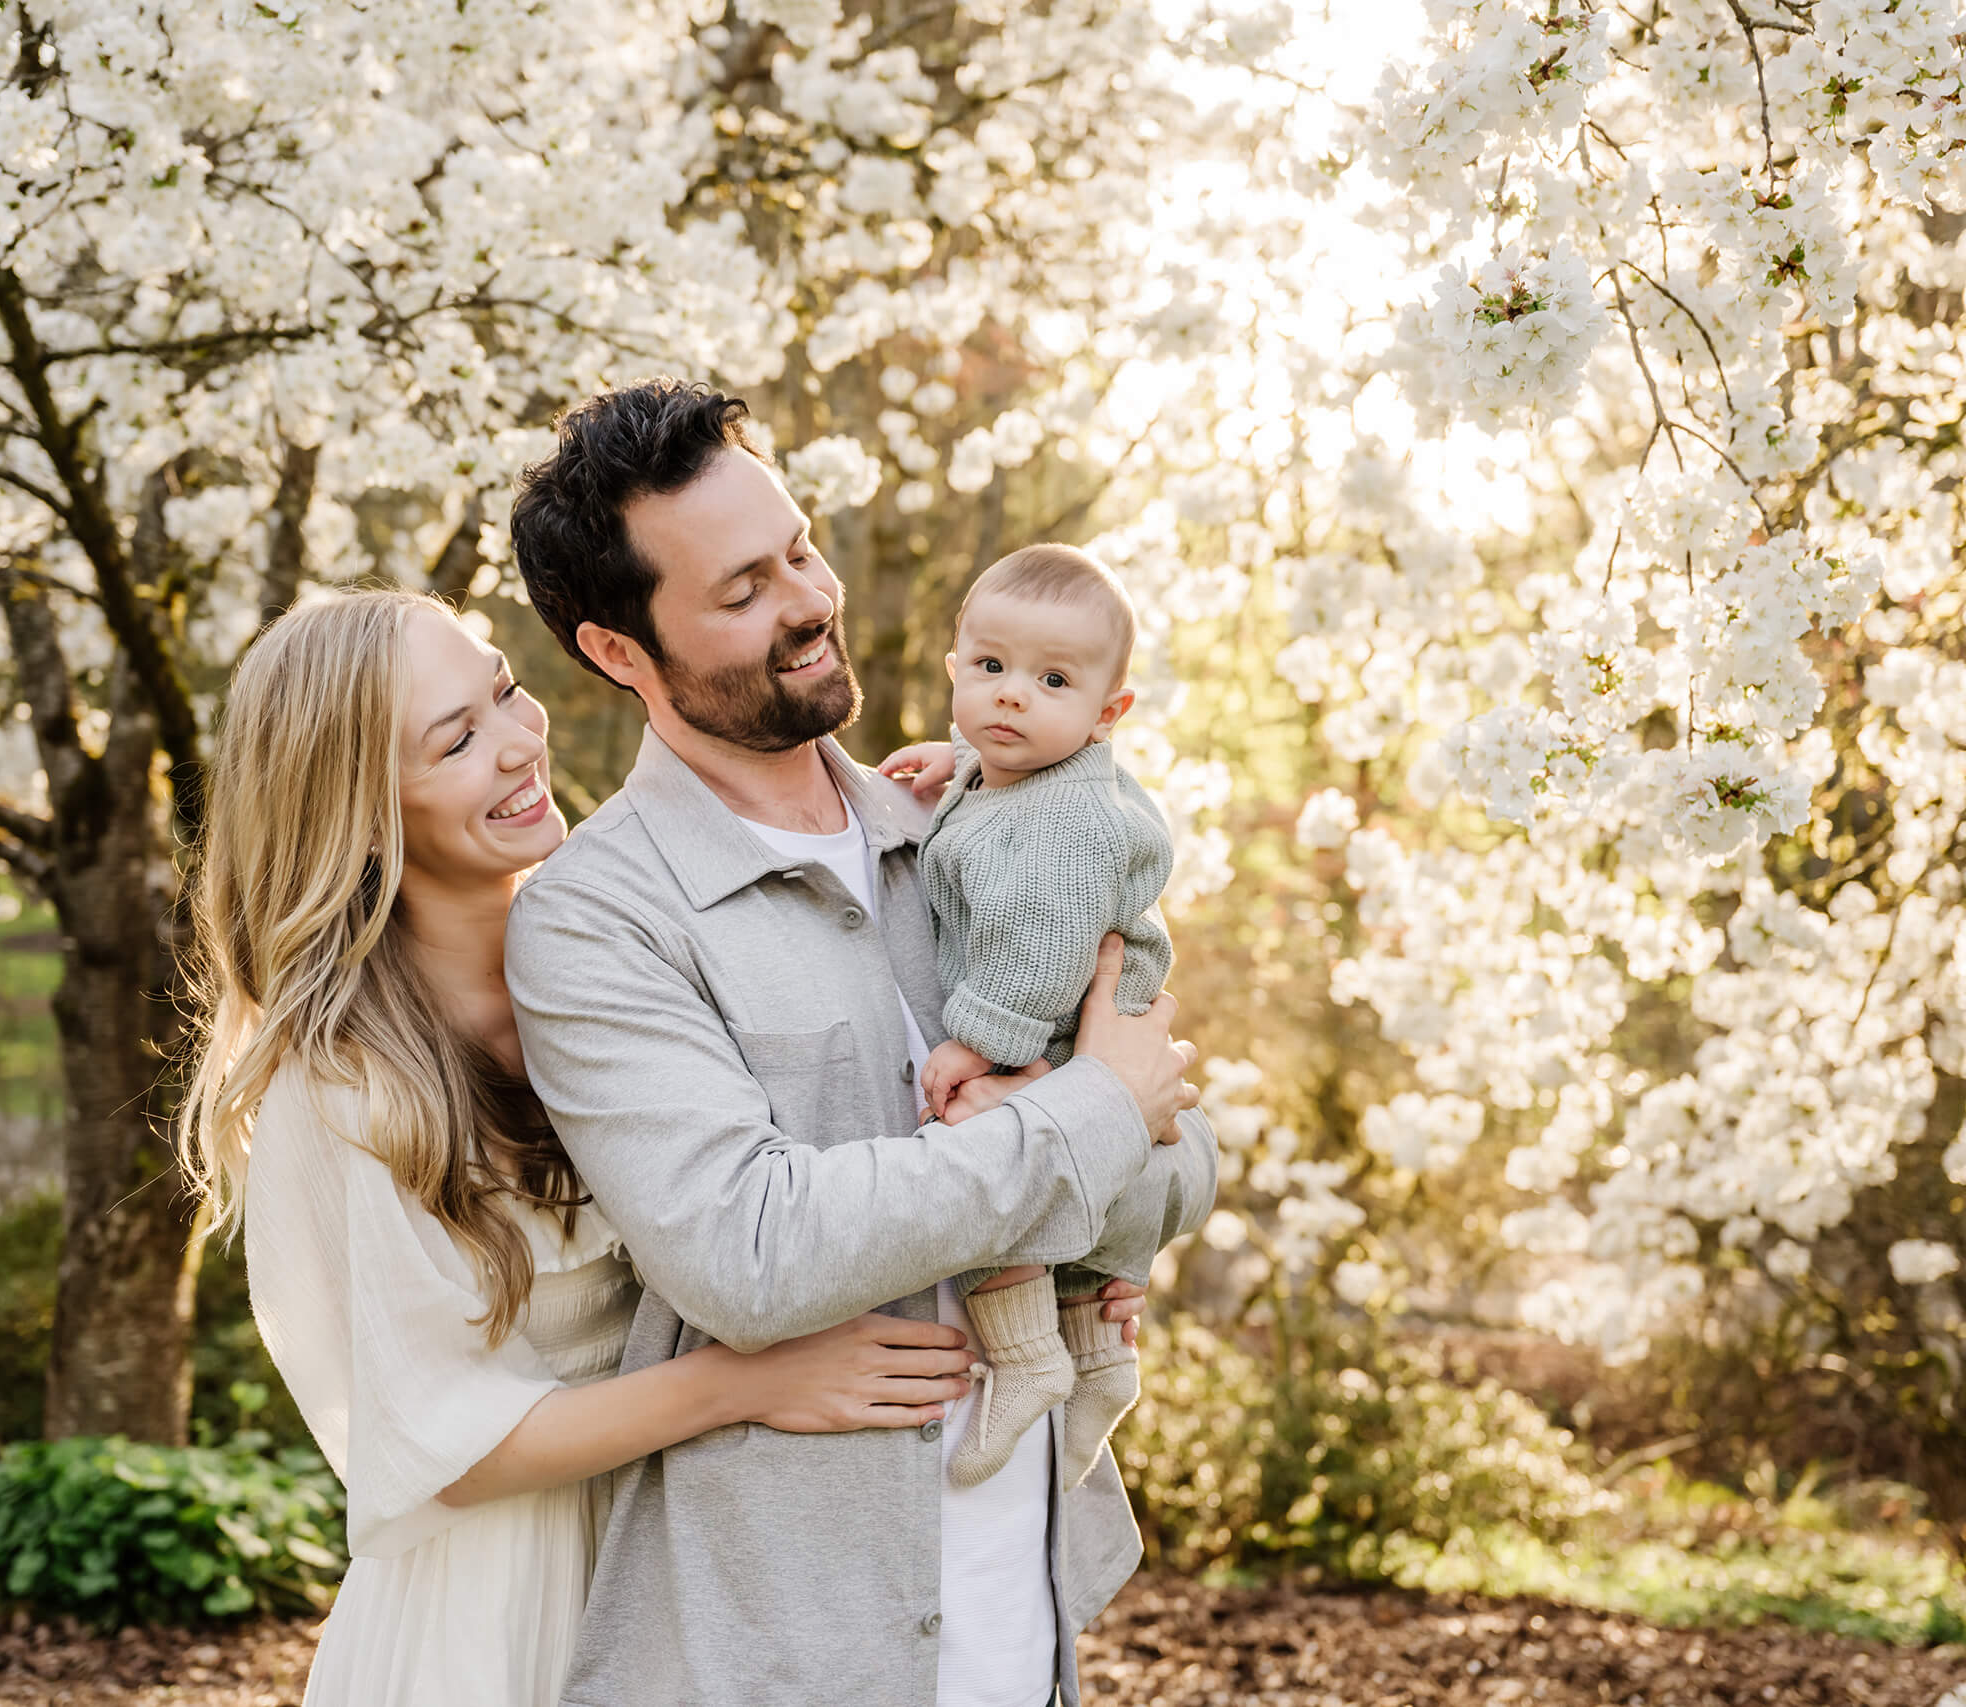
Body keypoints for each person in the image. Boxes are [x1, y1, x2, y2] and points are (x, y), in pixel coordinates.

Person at [504, 378, 1220, 1707]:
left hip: (1024, 1617)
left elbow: (1185, 1154)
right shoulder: (598, 916)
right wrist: (1087, 1123)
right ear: (618, 649)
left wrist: (1114, 1143)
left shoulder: (966, 830)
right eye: (742, 589)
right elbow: (750, 1250)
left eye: (800, 547)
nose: (807, 598)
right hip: (780, 1643)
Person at [174, 588, 979, 1707]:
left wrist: (979, 792)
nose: (518, 740)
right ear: (358, 815)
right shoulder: (343, 1084)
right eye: (456, 740)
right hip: (501, 1610)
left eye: (502, 689)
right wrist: (746, 1380)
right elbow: (444, 1448)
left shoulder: (630, 947)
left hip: (698, 1552)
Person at [908, 542, 1177, 1493]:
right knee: (1064, 1185)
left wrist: (980, 1042)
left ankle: (1027, 1359)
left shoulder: (1063, 827)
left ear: (1108, 714)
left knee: (987, 1142)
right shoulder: (1016, 778)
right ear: (956, 669)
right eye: (991, 668)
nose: (1012, 695)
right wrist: (960, 765)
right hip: (1084, 1026)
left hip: (1055, 1019)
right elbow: (1002, 815)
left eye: (1052, 680)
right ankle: (1102, 1360)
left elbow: (1041, 945)